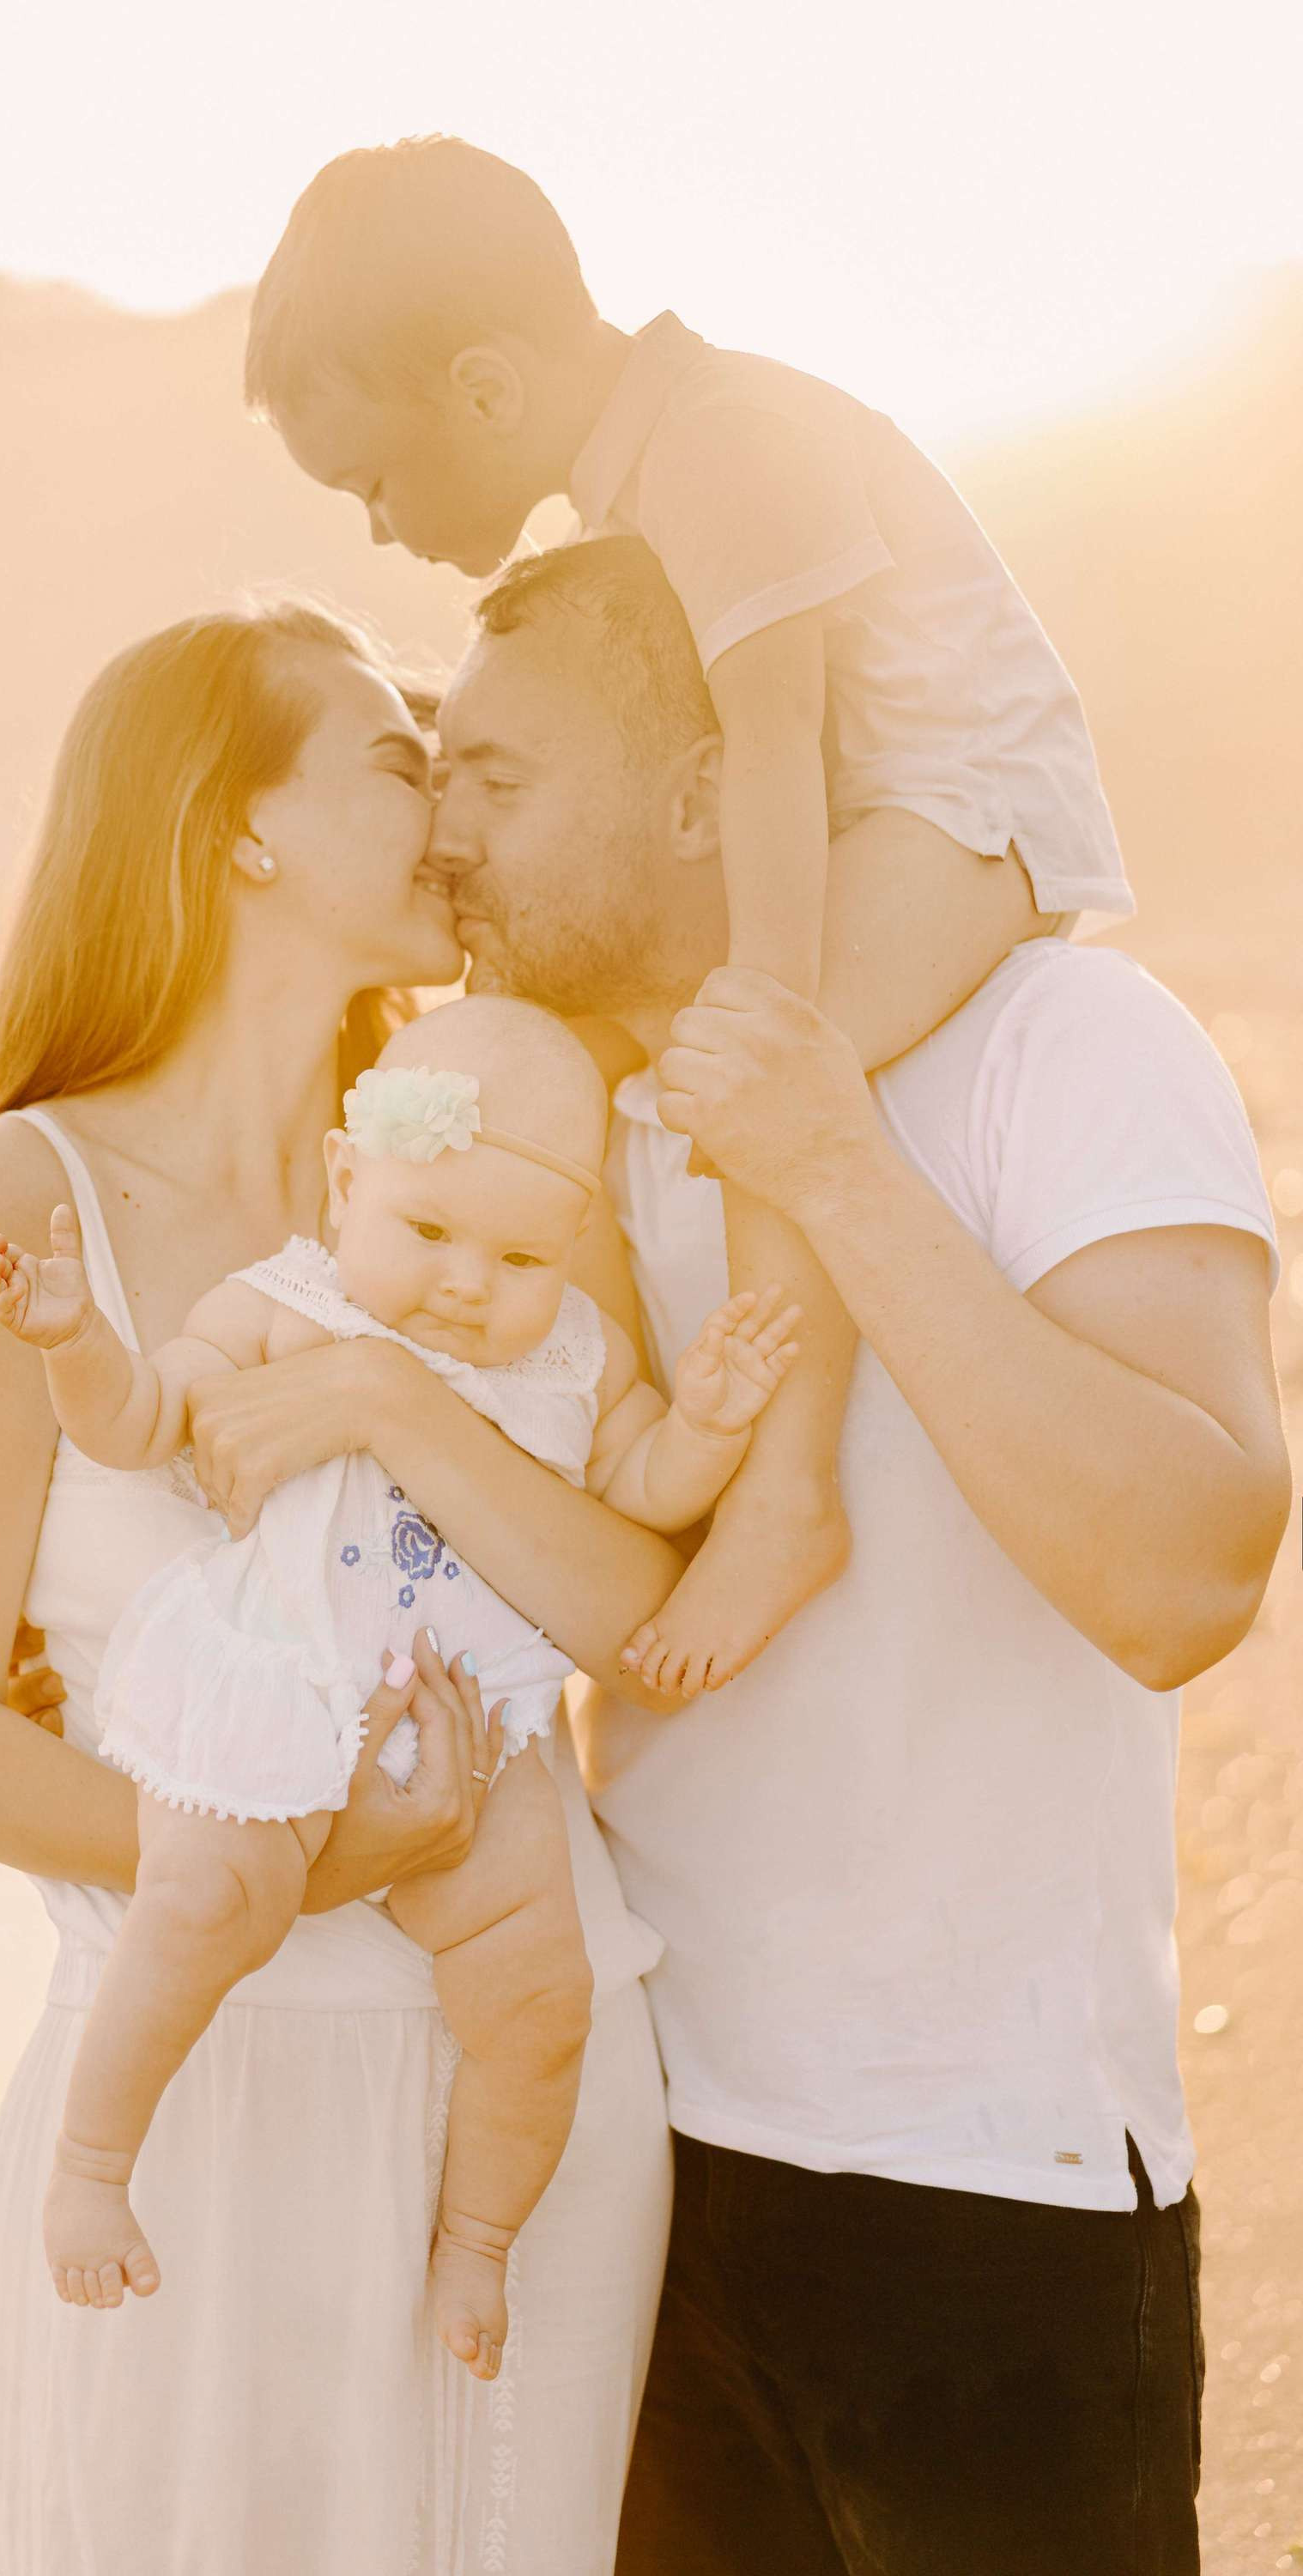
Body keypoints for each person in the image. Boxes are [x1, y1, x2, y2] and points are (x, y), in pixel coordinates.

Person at [410, 538, 1286, 2573]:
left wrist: (828, 1157)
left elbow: (1184, 1577)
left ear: (709, 789)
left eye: (499, 779)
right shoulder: (550, 1142)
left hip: (981, 2186)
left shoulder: (1055, 1039)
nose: (446, 835)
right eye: (431, 779)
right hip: (632, 2168)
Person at [0, 603, 687, 2574]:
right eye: (398, 762)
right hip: (190, 2112)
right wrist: (300, 1856)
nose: (449, 809)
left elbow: (625, 1611)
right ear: (234, 830)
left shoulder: (487, 1168)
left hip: (531, 2080)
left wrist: (392, 1401)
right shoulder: (24, 1202)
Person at [245, 131, 1130, 1697]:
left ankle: (784, 1496)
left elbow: (774, 735)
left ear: (486, 390)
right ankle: (568, 1412)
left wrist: (771, 1011)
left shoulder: (720, 443)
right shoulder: (629, 490)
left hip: (964, 813)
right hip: (870, 809)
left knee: (757, 1083)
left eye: (375, 481)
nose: (379, 529)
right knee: (628, 1056)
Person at [0, 995, 799, 2374]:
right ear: (352, 1184)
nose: (470, 1283)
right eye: (429, 1234)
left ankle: (474, 2246)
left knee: (543, 1998)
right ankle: (92, 2165)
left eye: (521, 1253)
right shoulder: (280, 1307)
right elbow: (139, 1422)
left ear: (573, 1244)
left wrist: (711, 1420)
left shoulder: (572, 1357)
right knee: (202, 1903)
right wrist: (76, 1341)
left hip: (482, 1734)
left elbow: (643, 1488)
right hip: (287, 1688)